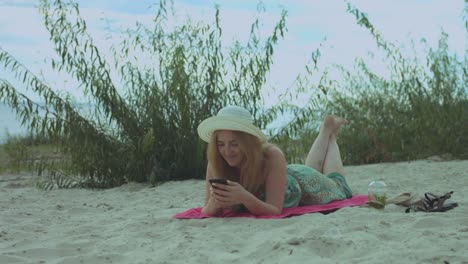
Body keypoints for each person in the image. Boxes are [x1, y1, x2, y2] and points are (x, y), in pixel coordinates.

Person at [197, 105, 353, 216]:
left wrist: (243, 197)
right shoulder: (217, 160)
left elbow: (274, 210)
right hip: (284, 177)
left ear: (248, 143)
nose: (226, 151)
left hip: (304, 183)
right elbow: (206, 210)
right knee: (313, 168)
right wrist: (214, 203)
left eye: (234, 144)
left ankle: (330, 135)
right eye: (220, 144)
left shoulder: (271, 155)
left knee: (340, 185)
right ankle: (326, 130)